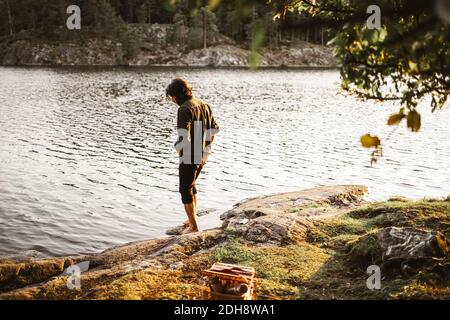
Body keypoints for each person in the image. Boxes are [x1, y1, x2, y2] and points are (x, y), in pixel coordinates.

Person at [166, 78, 219, 234]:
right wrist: (206, 150)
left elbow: (183, 136)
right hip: (203, 153)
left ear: (177, 94)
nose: (172, 100)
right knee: (191, 185)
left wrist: (180, 152)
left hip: (190, 155)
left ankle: (194, 227)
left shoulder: (184, 109)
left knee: (184, 189)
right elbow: (213, 130)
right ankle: (192, 218)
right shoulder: (203, 104)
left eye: (172, 97)